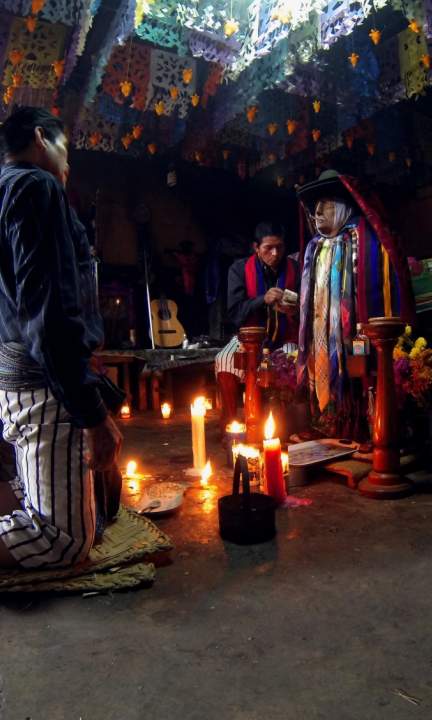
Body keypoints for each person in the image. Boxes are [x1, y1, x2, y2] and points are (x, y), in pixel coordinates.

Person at [0, 106, 122, 569]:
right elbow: (45, 313)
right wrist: (89, 414)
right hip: (40, 385)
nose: (68, 165)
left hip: (17, 380)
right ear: (38, 137)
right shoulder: (35, 186)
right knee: (63, 541)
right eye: (64, 150)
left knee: (98, 497)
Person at [296, 169, 415, 438]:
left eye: (325, 206)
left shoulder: (368, 241)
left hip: (357, 333)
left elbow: (385, 286)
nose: (317, 213)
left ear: (341, 207)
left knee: (359, 370)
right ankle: (331, 422)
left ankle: (366, 430)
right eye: (316, 207)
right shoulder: (315, 247)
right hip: (323, 333)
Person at [215, 221, 300, 431]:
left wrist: (295, 310)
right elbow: (234, 313)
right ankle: (230, 425)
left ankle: (286, 426)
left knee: (297, 363)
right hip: (249, 338)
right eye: (268, 248)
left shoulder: (296, 268)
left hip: (286, 337)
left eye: (279, 247)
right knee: (224, 360)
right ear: (256, 248)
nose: (275, 253)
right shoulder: (239, 269)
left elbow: (310, 307)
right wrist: (263, 299)